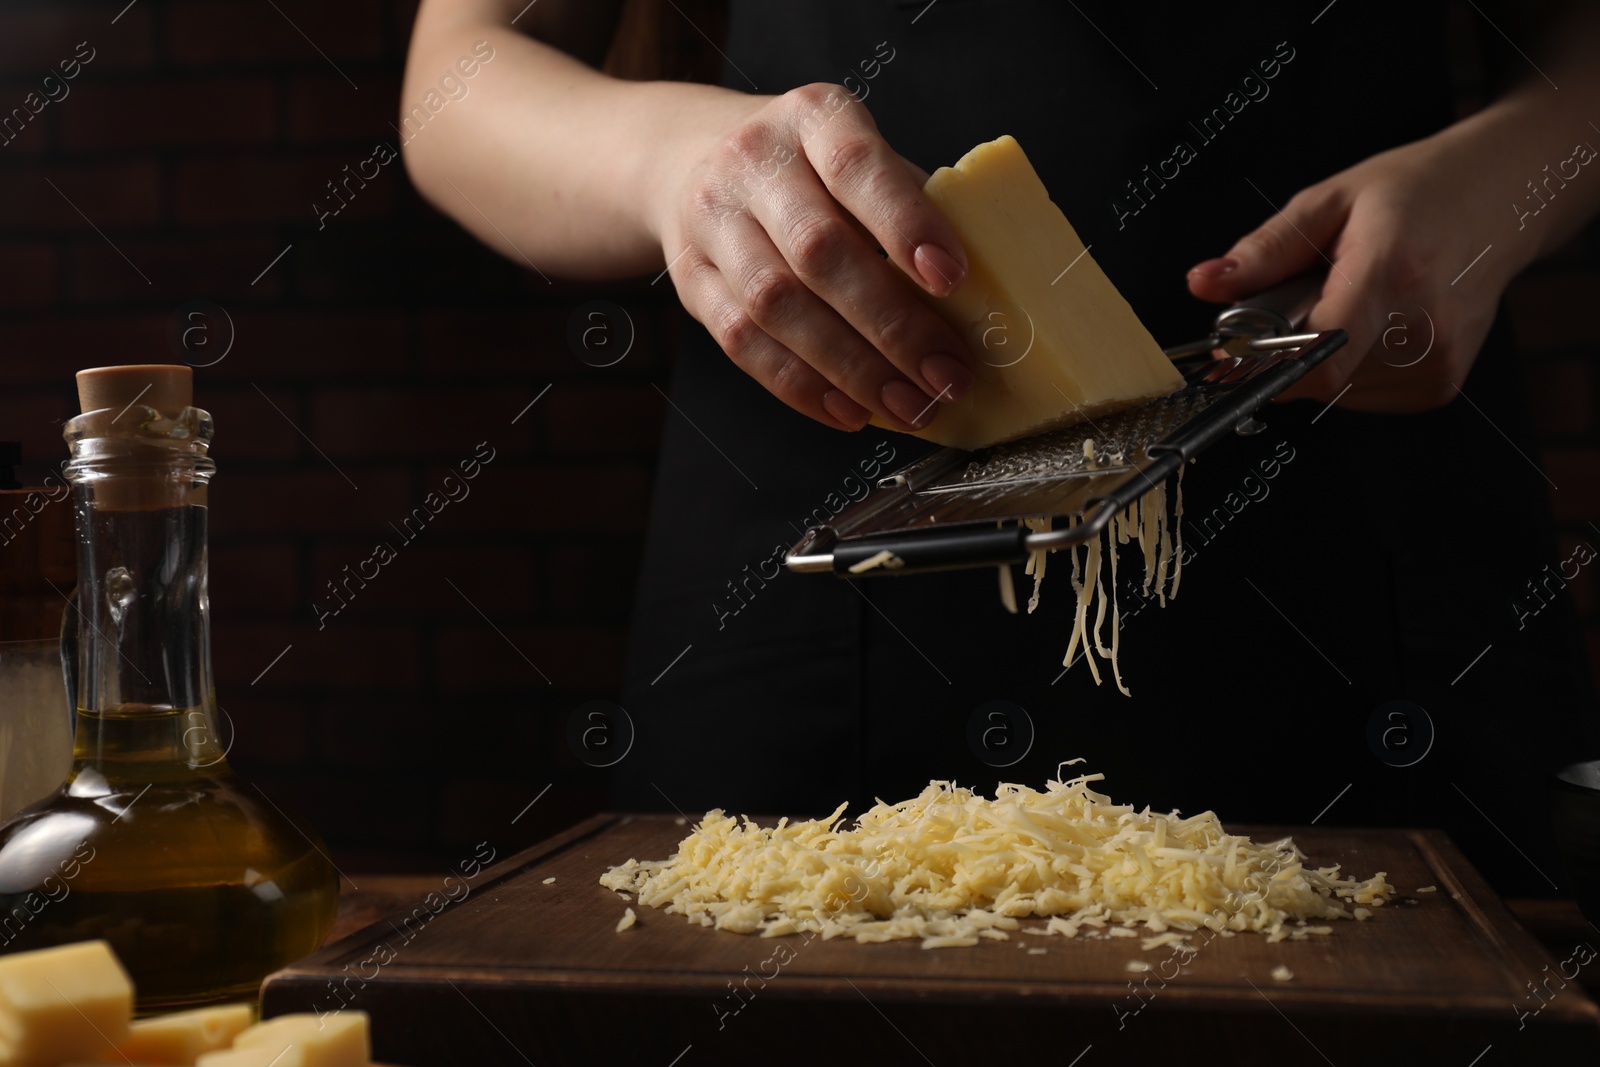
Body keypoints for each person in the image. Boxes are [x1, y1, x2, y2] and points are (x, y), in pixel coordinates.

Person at [403, 0, 1600, 896]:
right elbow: (461, 78)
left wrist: (1512, 180)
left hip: (1357, 494)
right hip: (826, 551)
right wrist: (668, 162)